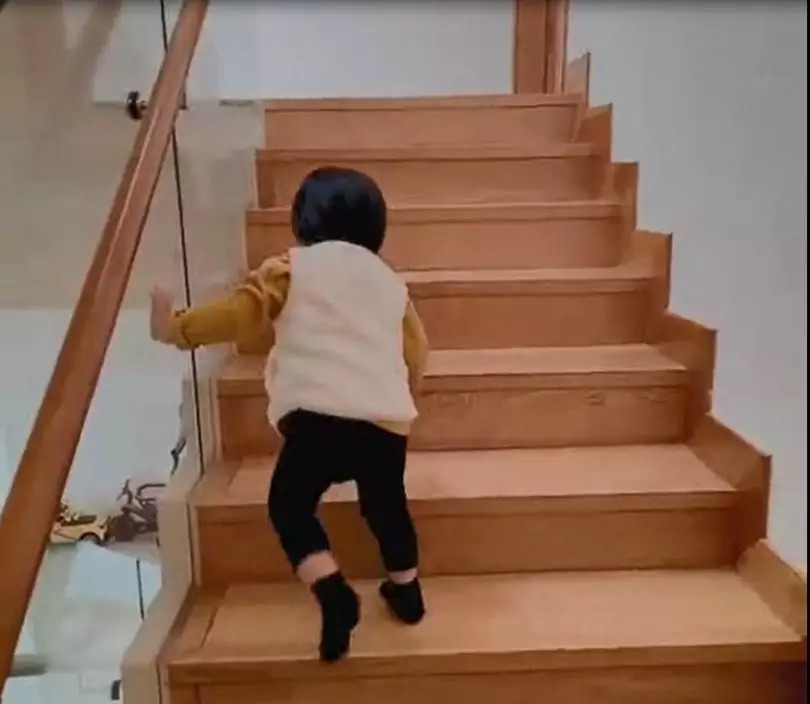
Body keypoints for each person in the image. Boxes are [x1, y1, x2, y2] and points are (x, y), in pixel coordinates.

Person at [150, 167, 428, 662]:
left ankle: (332, 590)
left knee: (291, 507)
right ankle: (407, 591)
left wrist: (176, 327)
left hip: (318, 417)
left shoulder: (289, 269)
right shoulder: (391, 285)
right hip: (386, 422)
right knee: (386, 506)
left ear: (303, 221)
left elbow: (241, 313)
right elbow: (417, 350)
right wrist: (405, 391)